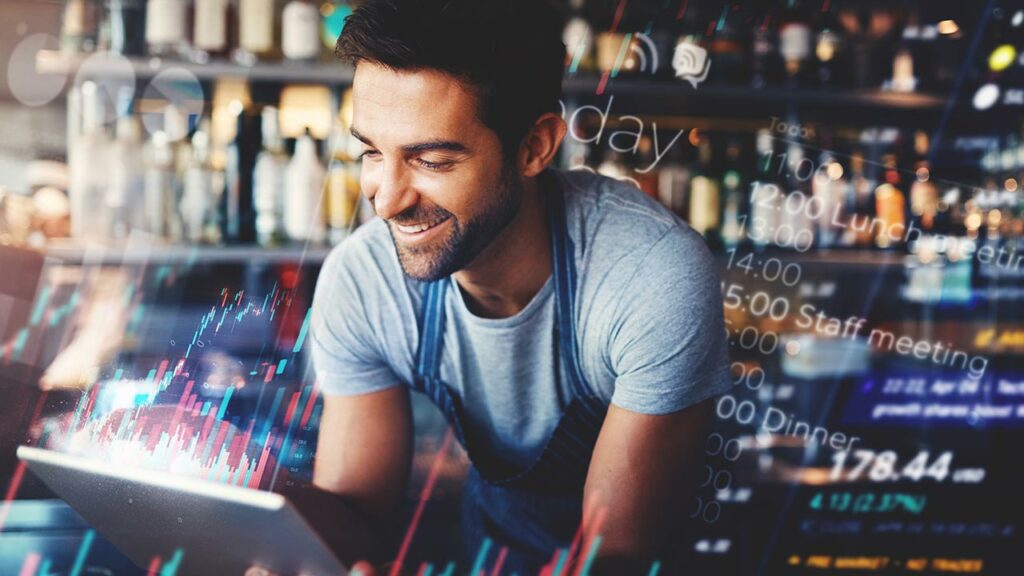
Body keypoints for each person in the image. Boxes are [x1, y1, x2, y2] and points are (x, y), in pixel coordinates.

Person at [252, 0, 732, 573]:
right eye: (371, 152)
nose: (385, 198)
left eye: (429, 160)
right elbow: (357, 523)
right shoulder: (364, 279)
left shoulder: (649, 276)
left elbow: (615, 559)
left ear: (534, 147)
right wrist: (258, 502)